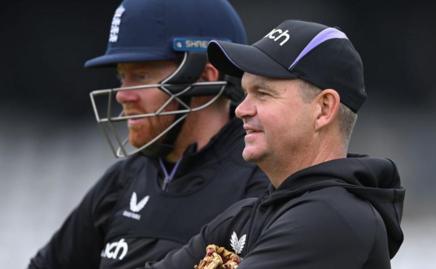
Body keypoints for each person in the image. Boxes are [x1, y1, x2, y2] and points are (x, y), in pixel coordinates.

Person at [143, 20, 406, 269]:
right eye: (245, 93)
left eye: (263, 93)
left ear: (323, 109)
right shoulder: (247, 215)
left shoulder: (334, 218)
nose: (241, 110)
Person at [27, 0, 268, 268]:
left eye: (140, 76)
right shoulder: (122, 182)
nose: (122, 95)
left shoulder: (261, 184)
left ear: (204, 77)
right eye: (121, 77)